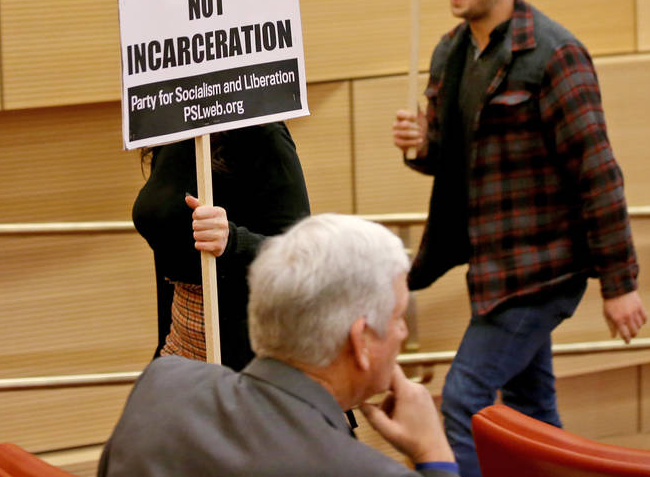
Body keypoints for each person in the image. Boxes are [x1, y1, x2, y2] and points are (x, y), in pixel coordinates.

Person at [392, 0, 647, 477]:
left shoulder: (554, 54)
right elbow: (454, 159)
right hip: (492, 268)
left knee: (464, 401)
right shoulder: (450, 52)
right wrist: (422, 143)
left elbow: (597, 171)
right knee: (533, 413)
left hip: (541, 270)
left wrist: (619, 285)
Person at [99, 213, 458, 477]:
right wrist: (434, 451)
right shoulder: (366, 471)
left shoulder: (161, 381)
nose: (402, 334)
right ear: (361, 341)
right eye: (397, 317)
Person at [132, 122, 309, 370]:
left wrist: (232, 240)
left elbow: (300, 258)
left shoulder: (264, 132)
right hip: (181, 345)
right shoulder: (172, 126)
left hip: (249, 361)